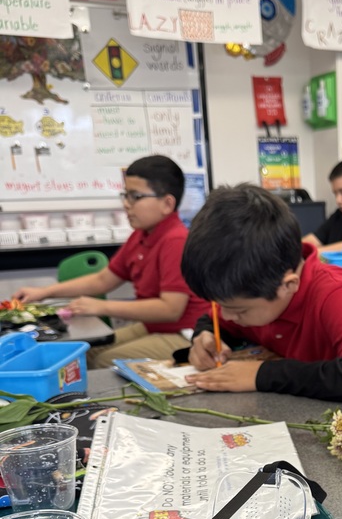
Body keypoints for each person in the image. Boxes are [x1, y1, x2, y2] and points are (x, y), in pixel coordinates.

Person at [180, 183, 342, 403]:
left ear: (288, 285)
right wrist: (204, 336)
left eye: (238, 310)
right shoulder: (253, 288)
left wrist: (261, 374)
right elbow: (213, 319)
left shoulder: (333, 293)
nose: (225, 315)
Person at [15, 155, 207, 368]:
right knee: (82, 352)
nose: (126, 204)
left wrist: (101, 306)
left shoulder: (175, 240)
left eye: (135, 196)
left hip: (186, 334)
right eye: (125, 195)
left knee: (105, 361)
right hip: (154, 327)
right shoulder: (142, 235)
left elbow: (170, 309)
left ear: (167, 203)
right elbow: (103, 280)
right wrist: (44, 292)